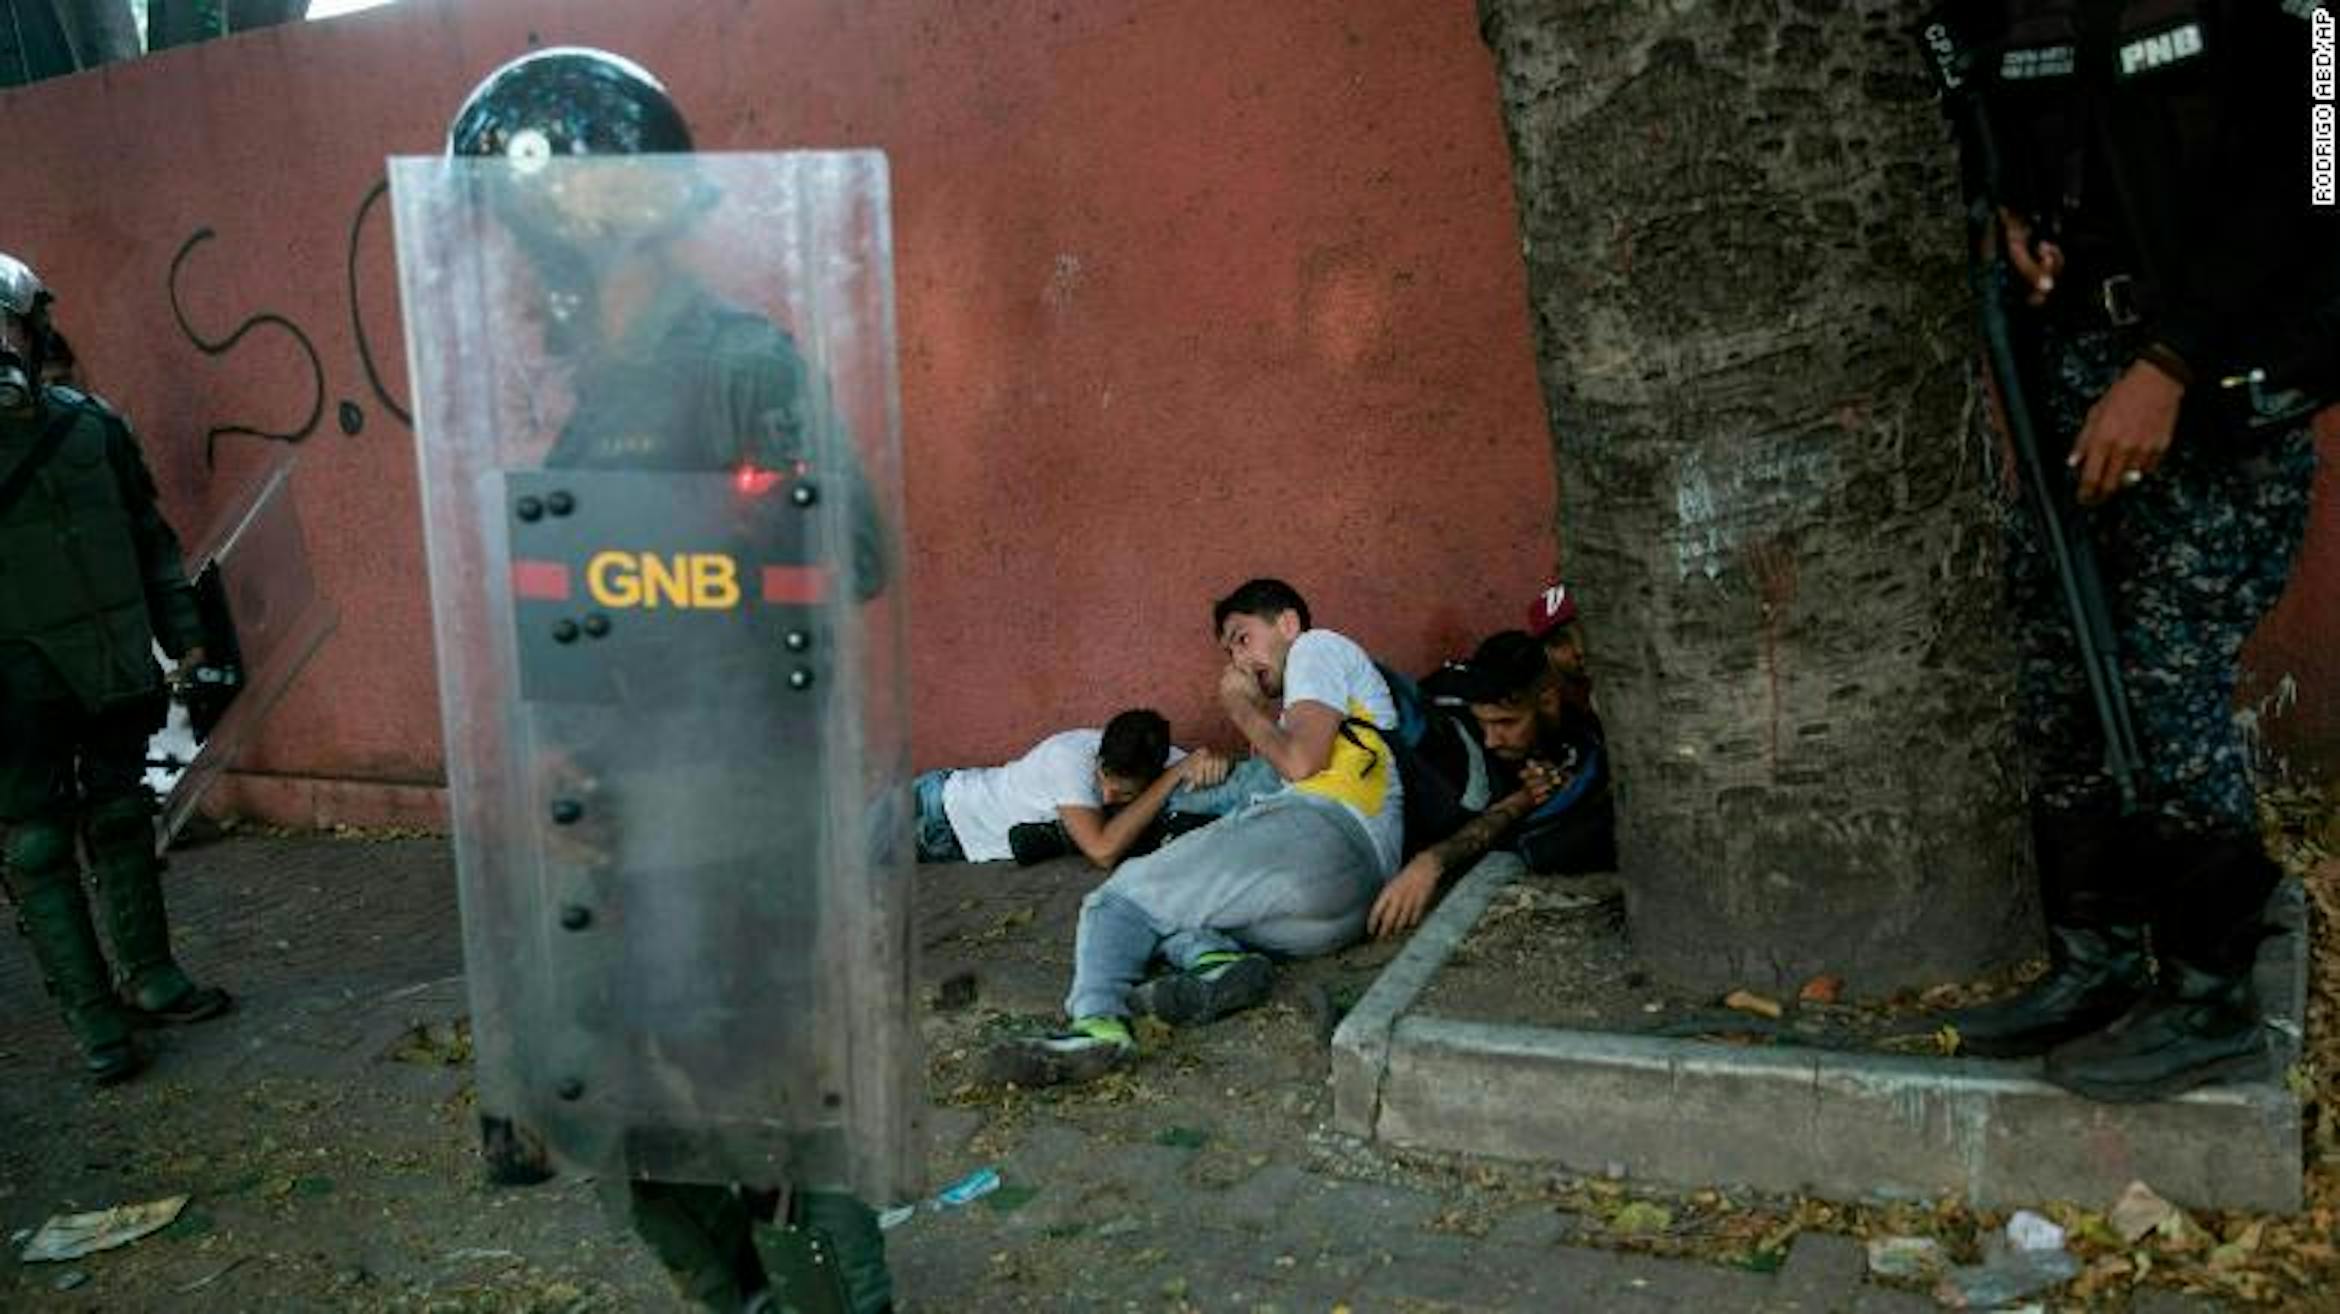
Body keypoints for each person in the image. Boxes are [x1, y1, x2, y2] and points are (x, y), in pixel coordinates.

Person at [438, 49, 901, 1311]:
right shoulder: (600, 400)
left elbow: (851, 547)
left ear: (600, 220)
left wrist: (706, 542)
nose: (527, 277)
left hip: (743, 797)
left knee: (758, 1090)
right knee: (597, 1087)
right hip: (631, 804)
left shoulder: (739, 365)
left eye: (537, 241)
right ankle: (746, 1296)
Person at [1932, 3, 2337, 1102]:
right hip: (2077, 363)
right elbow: (2017, 106)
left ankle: (2209, 993)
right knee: (2057, 666)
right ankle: (2098, 964)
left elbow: (2322, 165)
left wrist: (2172, 360)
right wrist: (2016, 206)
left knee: (2163, 683)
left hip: (2211, 390)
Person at [986, 578, 1403, 1086]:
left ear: (1288, 624)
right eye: (1229, 652)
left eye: (1242, 638)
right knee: (1173, 911)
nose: (1237, 663)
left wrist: (1238, 707)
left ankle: (1097, 1024)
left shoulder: (1316, 647)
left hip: (1324, 834)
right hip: (1344, 907)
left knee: (1118, 900)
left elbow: (1300, 761)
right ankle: (1216, 962)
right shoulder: (1316, 701)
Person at [0, 252, 232, 1086]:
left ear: (32, 330)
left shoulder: (92, 428)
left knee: (123, 814)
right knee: (35, 847)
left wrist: (184, 628)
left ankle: (151, 974)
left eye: (5, 325)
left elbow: (150, 538)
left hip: (109, 665)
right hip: (13, 690)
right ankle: (96, 1020)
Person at [1368, 629, 1615, 938]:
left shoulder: (1581, 752)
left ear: (1547, 702)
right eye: (1482, 722)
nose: (1491, 740)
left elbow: (1517, 842)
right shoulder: (1450, 691)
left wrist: (1431, 863)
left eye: (1505, 723)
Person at [912, 707, 1277, 869]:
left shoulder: (1161, 760)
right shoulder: (1068, 759)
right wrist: (1172, 777)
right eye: (1105, 783)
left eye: (1124, 795)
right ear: (1099, 758)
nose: (1105, 798)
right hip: (935, 807)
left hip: (958, 842)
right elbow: (1101, 851)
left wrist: (1221, 761)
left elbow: (1213, 767)